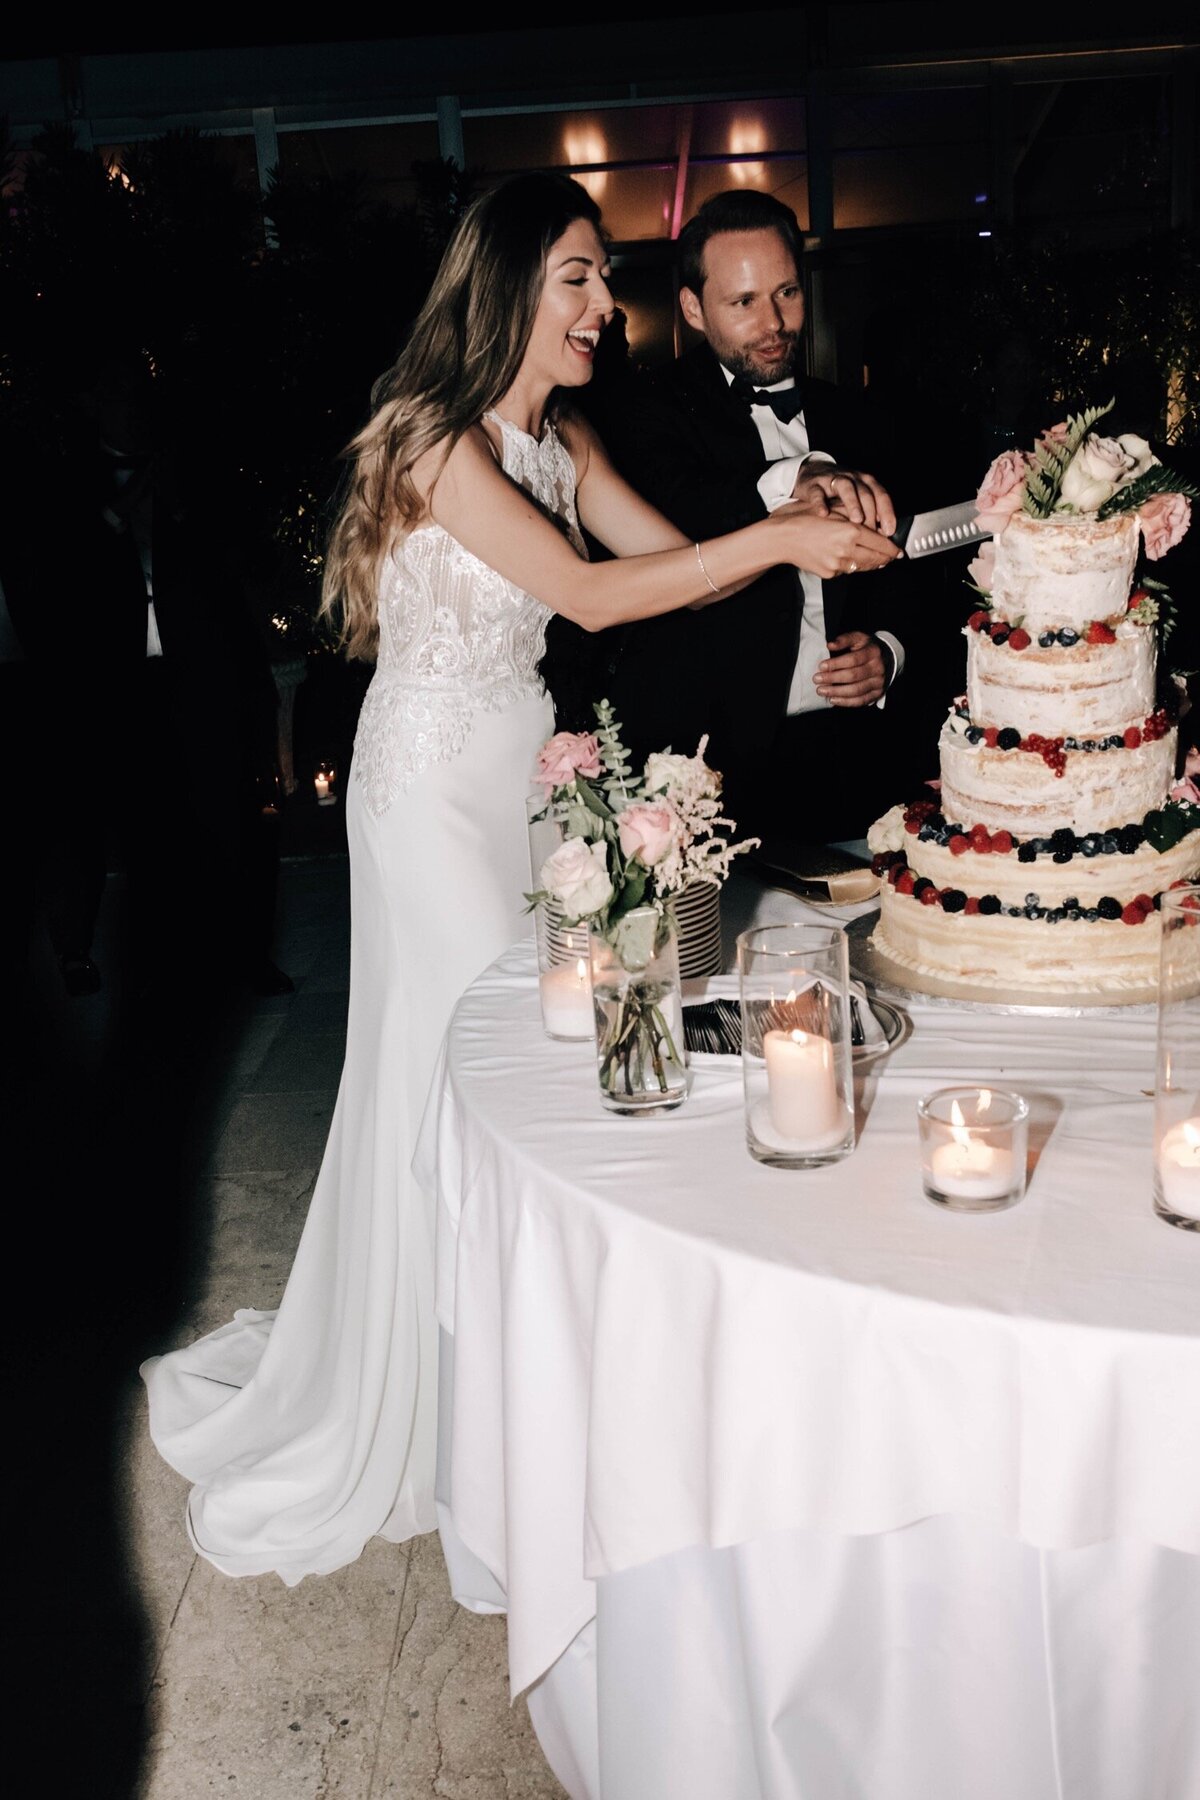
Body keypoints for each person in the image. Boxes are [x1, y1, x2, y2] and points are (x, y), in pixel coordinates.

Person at [141, 173, 899, 1584]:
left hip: (522, 778)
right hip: (425, 787)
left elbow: (679, 570)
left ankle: (513, 1368)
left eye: (603, 282)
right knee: (457, 1066)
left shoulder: (564, 438)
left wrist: (800, 507)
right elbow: (592, 596)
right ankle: (442, 1394)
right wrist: (785, 531)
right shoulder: (437, 442)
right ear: (504, 290)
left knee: (533, 1061)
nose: (603, 309)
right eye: (578, 281)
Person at [546, 187, 923, 850]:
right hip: (712, 768)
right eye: (743, 301)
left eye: (786, 293)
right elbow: (688, 510)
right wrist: (798, 477)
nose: (774, 321)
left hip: (854, 758)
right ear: (692, 307)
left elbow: (914, 568)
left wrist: (887, 653)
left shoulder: (864, 414)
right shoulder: (640, 412)